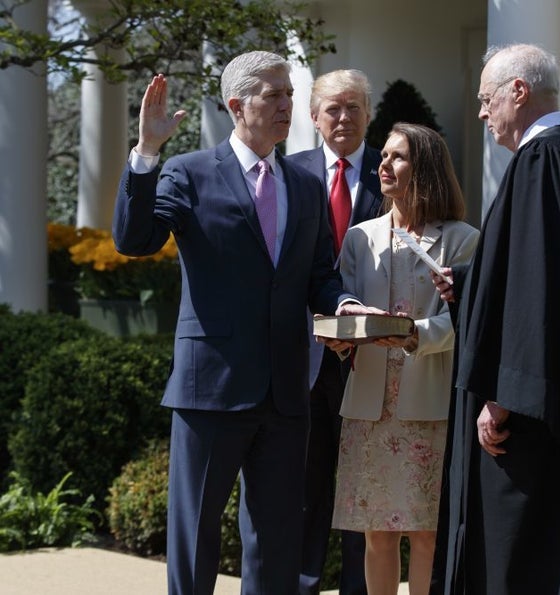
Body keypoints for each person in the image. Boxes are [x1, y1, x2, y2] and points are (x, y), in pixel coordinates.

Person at [112, 51, 376, 595]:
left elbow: (320, 275)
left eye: (289, 94)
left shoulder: (304, 185)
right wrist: (146, 153)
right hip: (211, 386)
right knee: (196, 538)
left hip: (286, 392)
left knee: (277, 541)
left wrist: (345, 304)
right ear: (237, 105)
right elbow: (134, 241)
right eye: (274, 95)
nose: (288, 105)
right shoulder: (188, 172)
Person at [429, 43, 560, 594]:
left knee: (522, 563)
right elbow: (559, 277)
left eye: (485, 99)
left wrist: (502, 400)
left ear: (517, 92)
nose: (481, 113)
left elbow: (539, 293)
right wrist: (472, 286)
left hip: (533, 426)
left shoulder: (542, 161)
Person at [323, 122, 480, 595]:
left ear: (425, 167)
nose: (383, 165)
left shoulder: (463, 239)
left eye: (397, 157)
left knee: (427, 533)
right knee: (377, 533)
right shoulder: (359, 238)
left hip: (428, 406)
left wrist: (416, 335)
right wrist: (341, 337)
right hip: (369, 408)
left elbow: (471, 323)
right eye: (383, 156)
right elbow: (344, 305)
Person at [287, 68, 383, 595]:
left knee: (362, 488)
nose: (343, 117)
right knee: (306, 484)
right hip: (303, 357)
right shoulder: (288, 173)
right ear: (314, 117)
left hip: (371, 359)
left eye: (354, 107)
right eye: (333, 109)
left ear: (369, 113)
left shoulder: (394, 176)